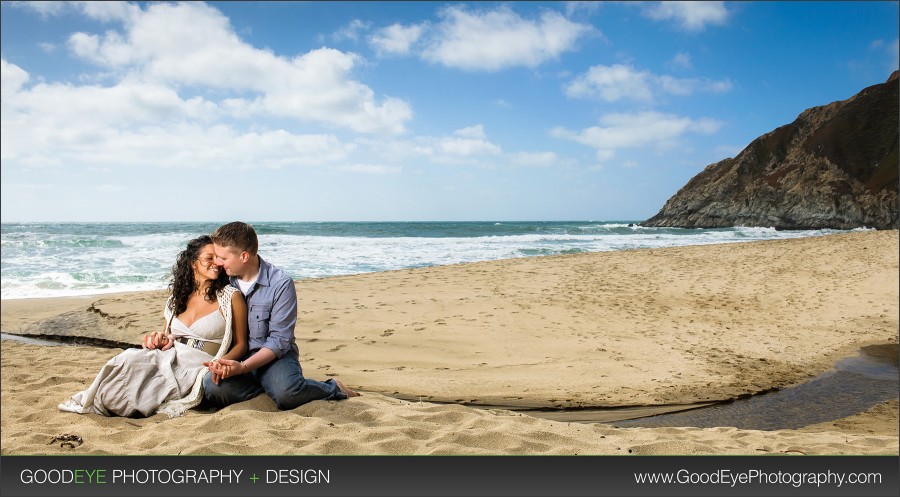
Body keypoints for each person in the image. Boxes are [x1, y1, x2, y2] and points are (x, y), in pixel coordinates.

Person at [58, 235, 249, 417]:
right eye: (209, 258)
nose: (216, 263)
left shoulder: (230, 296)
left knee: (135, 396)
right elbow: (167, 336)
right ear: (193, 263)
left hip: (200, 364)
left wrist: (221, 363)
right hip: (170, 357)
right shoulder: (176, 300)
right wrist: (159, 338)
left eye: (218, 258)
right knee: (127, 359)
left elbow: (241, 344)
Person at [202, 221, 358, 410]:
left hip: (274, 358)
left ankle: (332, 387)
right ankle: (268, 389)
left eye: (222, 258)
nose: (217, 263)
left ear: (244, 256)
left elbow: (279, 340)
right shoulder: (224, 280)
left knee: (287, 395)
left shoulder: (281, 283)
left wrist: (243, 368)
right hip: (237, 355)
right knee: (211, 386)